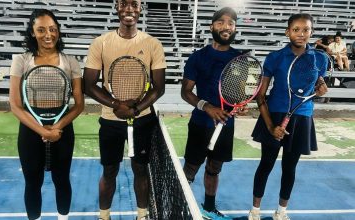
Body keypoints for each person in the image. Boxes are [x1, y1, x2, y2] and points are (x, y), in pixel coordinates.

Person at [82, 0, 166, 219]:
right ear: (117, 7)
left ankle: (142, 215)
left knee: (141, 170)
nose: (129, 9)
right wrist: (116, 105)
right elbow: (88, 84)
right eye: (124, 4)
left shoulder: (153, 44)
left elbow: (159, 87)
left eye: (135, 4)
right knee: (109, 171)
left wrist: (135, 109)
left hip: (142, 121)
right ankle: (104, 216)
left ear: (140, 8)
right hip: (110, 121)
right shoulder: (100, 43)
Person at [247, 14, 328, 220]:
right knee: (266, 164)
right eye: (296, 30)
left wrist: (321, 87)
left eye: (306, 30)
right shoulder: (275, 57)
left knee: (289, 167)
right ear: (287, 32)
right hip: (274, 115)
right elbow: (261, 96)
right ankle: (255, 210)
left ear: (311, 32)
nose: (301, 34)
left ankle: (281, 211)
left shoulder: (320, 58)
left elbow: (317, 81)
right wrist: (271, 126)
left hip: (302, 116)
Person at [9, 9, 84, 220]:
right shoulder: (21, 60)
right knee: (33, 182)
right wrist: (42, 130)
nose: (48, 34)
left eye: (52, 29)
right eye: (41, 30)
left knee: (62, 180)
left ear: (58, 31)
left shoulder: (71, 61)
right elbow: (15, 105)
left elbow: (79, 105)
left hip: (62, 127)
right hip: (31, 128)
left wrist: (57, 127)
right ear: (32, 33)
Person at [181, 7, 244, 220]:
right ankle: (179, 205)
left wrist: (241, 105)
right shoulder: (198, 58)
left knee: (215, 167)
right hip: (200, 123)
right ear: (212, 26)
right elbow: (186, 92)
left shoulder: (241, 59)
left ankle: (208, 208)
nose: (226, 27)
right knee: (190, 168)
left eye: (231, 23)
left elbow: (243, 92)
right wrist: (207, 107)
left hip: (225, 124)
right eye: (221, 22)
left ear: (235, 29)